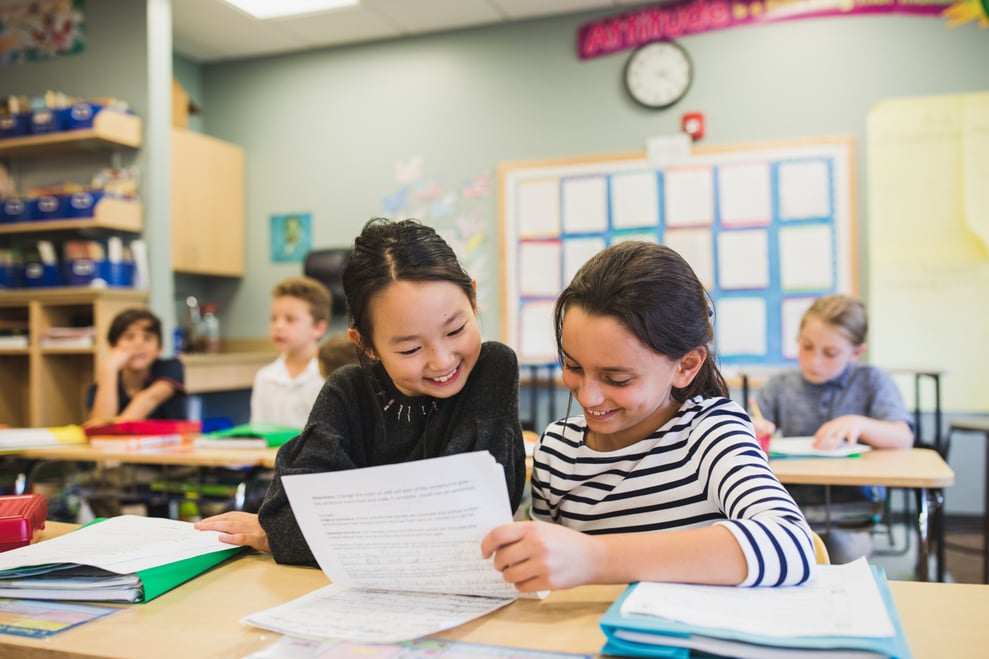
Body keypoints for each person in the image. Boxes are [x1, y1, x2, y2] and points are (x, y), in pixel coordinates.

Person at [480, 241, 814, 592]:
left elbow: (790, 543)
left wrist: (596, 558)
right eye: (573, 366)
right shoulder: (557, 452)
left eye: (617, 379)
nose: (588, 396)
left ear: (685, 366)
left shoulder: (709, 432)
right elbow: (546, 584)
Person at [197, 218, 526, 564]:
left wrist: (336, 525)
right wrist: (288, 532)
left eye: (456, 329)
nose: (442, 361)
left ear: (473, 299)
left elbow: (471, 525)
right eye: (411, 349)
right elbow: (285, 521)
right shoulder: (348, 390)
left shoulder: (492, 367)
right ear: (366, 344)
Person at [751, 294, 913, 563]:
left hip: (851, 512)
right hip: (789, 506)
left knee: (841, 554)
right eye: (807, 347)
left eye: (830, 353)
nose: (815, 361)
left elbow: (903, 437)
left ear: (857, 352)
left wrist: (860, 423)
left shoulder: (873, 381)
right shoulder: (779, 386)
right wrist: (754, 429)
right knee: (768, 554)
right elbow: (749, 432)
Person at [250, 276, 331, 428]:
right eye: (273, 319)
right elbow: (258, 433)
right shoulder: (264, 378)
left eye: (290, 319)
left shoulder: (328, 377)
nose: (278, 326)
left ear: (318, 328)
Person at [86, 308, 186, 422]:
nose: (138, 344)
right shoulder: (99, 389)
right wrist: (109, 369)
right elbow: (99, 426)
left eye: (147, 338)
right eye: (129, 337)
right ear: (112, 346)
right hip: (118, 440)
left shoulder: (171, 368)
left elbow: (149, 399)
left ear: (160, 348)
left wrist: (114, 427)